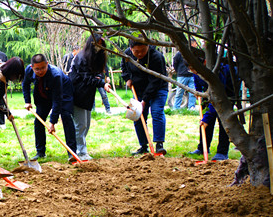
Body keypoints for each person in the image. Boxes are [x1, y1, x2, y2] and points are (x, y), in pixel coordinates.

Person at [23, 54, 77, 160]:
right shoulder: (28, 71)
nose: (40, 71)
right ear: (32, 67)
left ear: (47, 64)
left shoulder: (55, 75)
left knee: (66, 117)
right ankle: (40, 152)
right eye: (37, 69)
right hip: (44, 95)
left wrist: (52, 122)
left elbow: (57, 100)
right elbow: (25, 84)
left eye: (43, 68)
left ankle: (72, 152)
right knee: (38, 121)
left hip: (63, 93)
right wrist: (27, 101)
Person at [121, 38, 168, 155]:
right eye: (136, 51)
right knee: (137, 115)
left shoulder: (156, 57)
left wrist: (144, 100)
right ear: (131, 48)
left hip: (158, 88)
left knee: (157, 112)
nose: (140, 54)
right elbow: (124, 67)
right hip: (138, 89)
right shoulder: (127, 55)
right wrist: (127, 78)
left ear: (148, 46)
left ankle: (159, 145)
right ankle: (143, 145)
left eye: (143, 50)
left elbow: (155, 81)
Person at [69, 33, 111, 161]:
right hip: (77, 94)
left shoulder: (94, 57)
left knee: (86, 125)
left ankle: (80, 149)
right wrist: (102, 83)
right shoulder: (82, 57)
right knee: (80, 125)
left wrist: (100, 80)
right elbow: (86, 77)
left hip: (87, 95)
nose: (99, 48)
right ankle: (80, 152)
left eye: (101, 45)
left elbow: (93, 76)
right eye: (97, 45)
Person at [189, 62, 233, 161]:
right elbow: (197, 81)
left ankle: (222, 152)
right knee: (205, 120)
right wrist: (199, 92)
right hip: (207, 93)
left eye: (193, 69)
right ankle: (202, 148)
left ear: (204, 63)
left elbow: (218, 95)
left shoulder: (219, 70)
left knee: (223, 121)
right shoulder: (196, 69)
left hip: (225, 94)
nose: (193, 72)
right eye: (190, 69)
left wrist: (207, 117)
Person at [173, 39, 199, 109]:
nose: (196, 45)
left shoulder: (195, 53)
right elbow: (175, 62)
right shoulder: (180, 53)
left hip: (192, 75)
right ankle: (176, 108)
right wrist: (178, 71)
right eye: (195, 44)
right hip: (182, 75)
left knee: (193, 92)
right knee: (179, 92)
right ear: (192, 44)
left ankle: (191, 108)